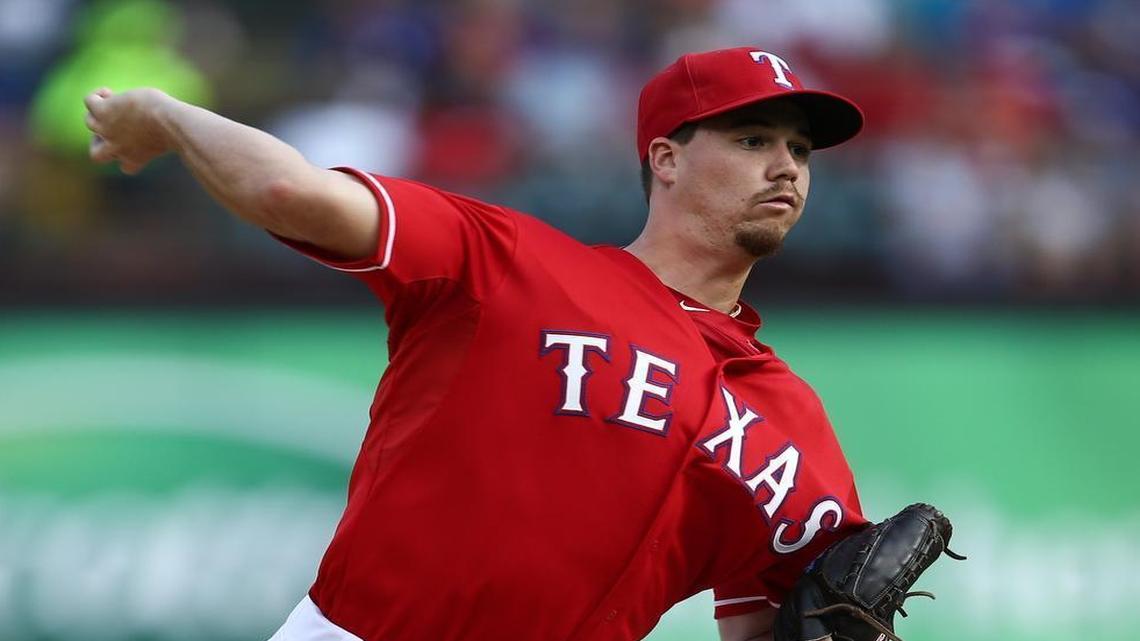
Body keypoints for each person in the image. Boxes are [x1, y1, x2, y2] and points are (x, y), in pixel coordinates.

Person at [84, 46, 868, 641]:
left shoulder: (793, 423)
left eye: (800, 151)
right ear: (666, 157)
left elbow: (766, 623)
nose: (786, 167)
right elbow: (287, 190)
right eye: (753, 139)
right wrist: (165, 116)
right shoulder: (506, 261)